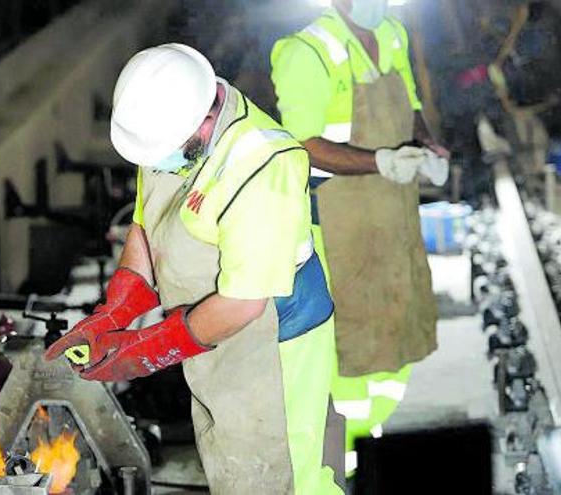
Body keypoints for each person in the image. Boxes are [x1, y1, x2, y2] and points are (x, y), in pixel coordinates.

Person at [46, 43, 345, 494]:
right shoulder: (172, 130)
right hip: (209, 330)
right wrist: (116, 312)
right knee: (233, 466)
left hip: (275, 337)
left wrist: (145, 352)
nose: (156, 164)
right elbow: (148, 228)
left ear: (205, 121)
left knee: (283, 478)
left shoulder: (264, 167)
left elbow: (243, 303)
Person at [270, 0, 448, 474]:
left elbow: (409, 105)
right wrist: (382, 162)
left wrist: (427, 144)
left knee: (395, 328)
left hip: (391, 215)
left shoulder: (392, 32)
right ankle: (341, 467)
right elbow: (303, 146)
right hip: (338, 223)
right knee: (350, 346)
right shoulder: (304, 51)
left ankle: (372, 439)